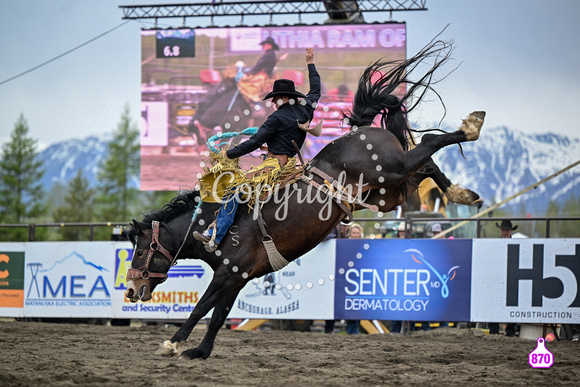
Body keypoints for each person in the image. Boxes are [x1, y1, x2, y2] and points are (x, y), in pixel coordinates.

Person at [193, 47, 321, 252]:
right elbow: (316, 90)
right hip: (289, 164)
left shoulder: (276, 117)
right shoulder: (306, 109)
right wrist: (310, 63)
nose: (272, 101)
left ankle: (215, 235)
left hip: (274, 165)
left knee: (234, 189)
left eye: (275, 97)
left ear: (284, 98)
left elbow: (254, 142)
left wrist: (229, 153)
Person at [488, 220, 519, 336]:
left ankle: (511, 330)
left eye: (507, 230)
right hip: (497, 278)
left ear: (511, 231)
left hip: (511, 278)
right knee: (493, 302)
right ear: (500, 231)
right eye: (503, 230)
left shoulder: (516, 246)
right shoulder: (495, 244)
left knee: (514, 303)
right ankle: (494, 330)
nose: (505, 232)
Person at [345, 223, 363, 335]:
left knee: (357, 304)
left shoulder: (363, 244)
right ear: (350, 233)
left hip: (358, 277)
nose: (356, 235)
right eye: (354, 233)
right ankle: (350, 329)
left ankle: (355, 328)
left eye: (357, 233)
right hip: (347, 277)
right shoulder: (345, 244)